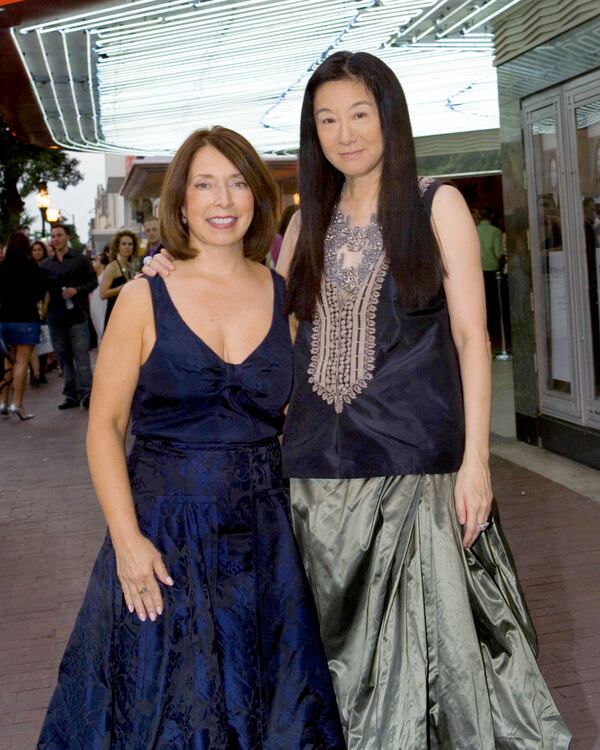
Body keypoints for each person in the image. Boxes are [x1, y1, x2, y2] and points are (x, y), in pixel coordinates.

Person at [146, 51, 570, 750]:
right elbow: (263, 323)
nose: (345, 134)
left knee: (449, 684)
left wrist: (476, 464)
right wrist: (177, 272)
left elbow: (471, 338)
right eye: (327, 120)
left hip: (420, 483)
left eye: (360, 114)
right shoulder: (306, 219)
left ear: (390, 117)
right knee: (334, 676)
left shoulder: (440, 205)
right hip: (318, 488)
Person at [37, 126, 345, 750]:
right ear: (180, 203)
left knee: (274, 713)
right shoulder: (146, 298)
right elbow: (104, 428)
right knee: (165, 715)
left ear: (257, 197)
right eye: (204, 184)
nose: (222, 199)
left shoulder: (282, 294)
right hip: (163, 539)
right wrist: (127, 544)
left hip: (263, 542)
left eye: (236, 183)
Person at [40, 224, 98, 410]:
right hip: (56, 318)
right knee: (64, 359)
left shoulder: (80, 260)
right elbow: (42, 290)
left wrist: (77, 290)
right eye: (53, 236)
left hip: (78, 316)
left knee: (81, 357)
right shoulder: (46, 265)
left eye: (59, 235)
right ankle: (70, 394)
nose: (55, 238)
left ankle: (87, 393)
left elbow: (93, 282)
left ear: (67, 237)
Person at [0, 232, 44, 420]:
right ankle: (17, 404)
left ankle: (3, 401)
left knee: (7, 361)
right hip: (26, 317)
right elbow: (40, 292)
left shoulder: (2, 266)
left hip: (5, 318)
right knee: (22, 362)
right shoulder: (31, 266)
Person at [100, 230, 138, 327]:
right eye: (123, 244)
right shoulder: (112, 267)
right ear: (118, 246)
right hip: (115, 313)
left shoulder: (131, 266)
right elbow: (103, 294)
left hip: (128, 313)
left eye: (130, 244)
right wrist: (125, 286)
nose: (127, 247)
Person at [477, 206, 504, 343]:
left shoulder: (475, 229)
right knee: (495, 304)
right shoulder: (496, 231)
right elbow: (498, 252)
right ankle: (495, 333)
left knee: (483, 303)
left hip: (478, 271)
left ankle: (485, 332)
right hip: (493, 270)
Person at [28, 240, 52, 386]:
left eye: (39, 250)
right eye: (34, 250)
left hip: (44, 305)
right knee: (32, 343)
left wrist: (44, 308)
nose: (37, 252)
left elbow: (48, 290)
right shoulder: (28, 268)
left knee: (44, 340)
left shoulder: (46, 268)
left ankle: (41, 371)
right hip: (30, 308)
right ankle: (34, 372)